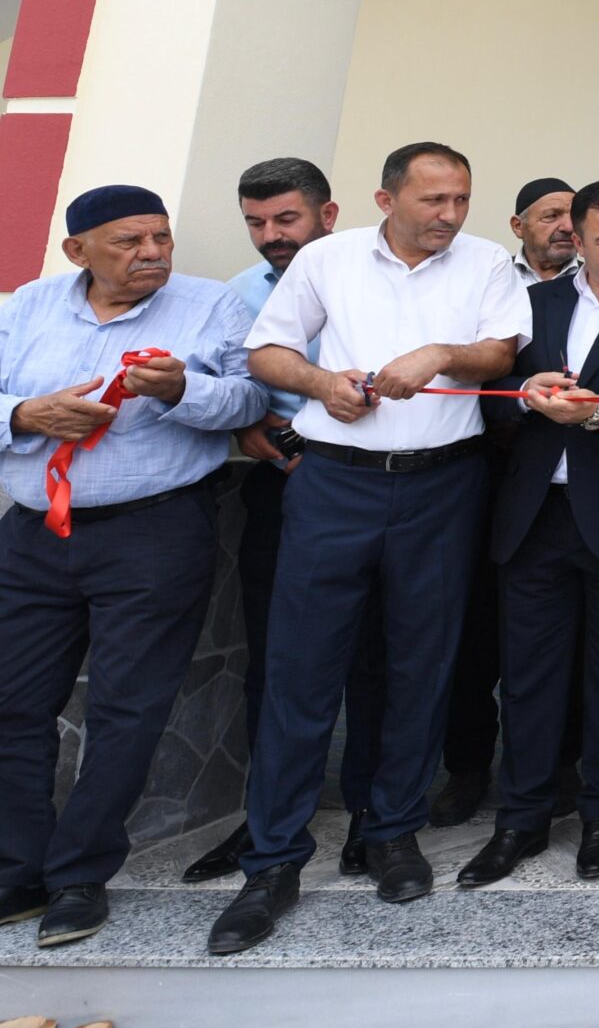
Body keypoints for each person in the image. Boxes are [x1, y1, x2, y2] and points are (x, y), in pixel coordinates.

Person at [208, 143, 532, 955]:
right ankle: (272, 860)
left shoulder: (487, 263)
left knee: (420, 665)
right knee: (302, 669)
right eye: (432, 200)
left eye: (460, 199)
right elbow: (268, 351)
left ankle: (390, 832)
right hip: (335, 485)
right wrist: (323, 385)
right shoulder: (328, 258)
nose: (449, 215)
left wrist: (440, 354)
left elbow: (501, 352)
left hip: (442, 487)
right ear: (386, 201)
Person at [0, 187, 267, 949]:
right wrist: (24, 414)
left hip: (153, 534)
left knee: (126, 712)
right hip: (33, 535)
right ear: (77, 250)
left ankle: (80, 876)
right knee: (13, 705)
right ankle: (17, 870)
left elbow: (250, 402)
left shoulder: (210, 306)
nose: (152, 253)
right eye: (128, 242)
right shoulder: (29, 305)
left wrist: (184, 390)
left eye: (161, 238)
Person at [456, 180, 599, 889]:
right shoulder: (531, 303)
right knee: (527, 678)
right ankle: (520, 819)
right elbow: (486, 401)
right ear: (576, 241)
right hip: (534, 519)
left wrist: (596, 415)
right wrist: (525, 398)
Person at [184, 159, 391, 888]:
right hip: (279, 492)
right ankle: (267, 816)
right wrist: (246, 431)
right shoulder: (236, 296)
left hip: (368, 488)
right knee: (277, 660)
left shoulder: (374, 277)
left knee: (373, 656)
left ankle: (371, 814)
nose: (271, 235)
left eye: (286, 219)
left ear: (327, 215)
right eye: (256, 222)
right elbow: (225, 387)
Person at [436, 175, 581, 828]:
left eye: (573, 215)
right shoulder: (486, 280)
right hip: (480, 475)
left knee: (560, 638)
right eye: (550, 216)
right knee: (472, 634)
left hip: (558, 486)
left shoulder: (597, 288)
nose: (565, 227)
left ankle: (560, 766)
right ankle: (467, 768)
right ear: (518, 226)